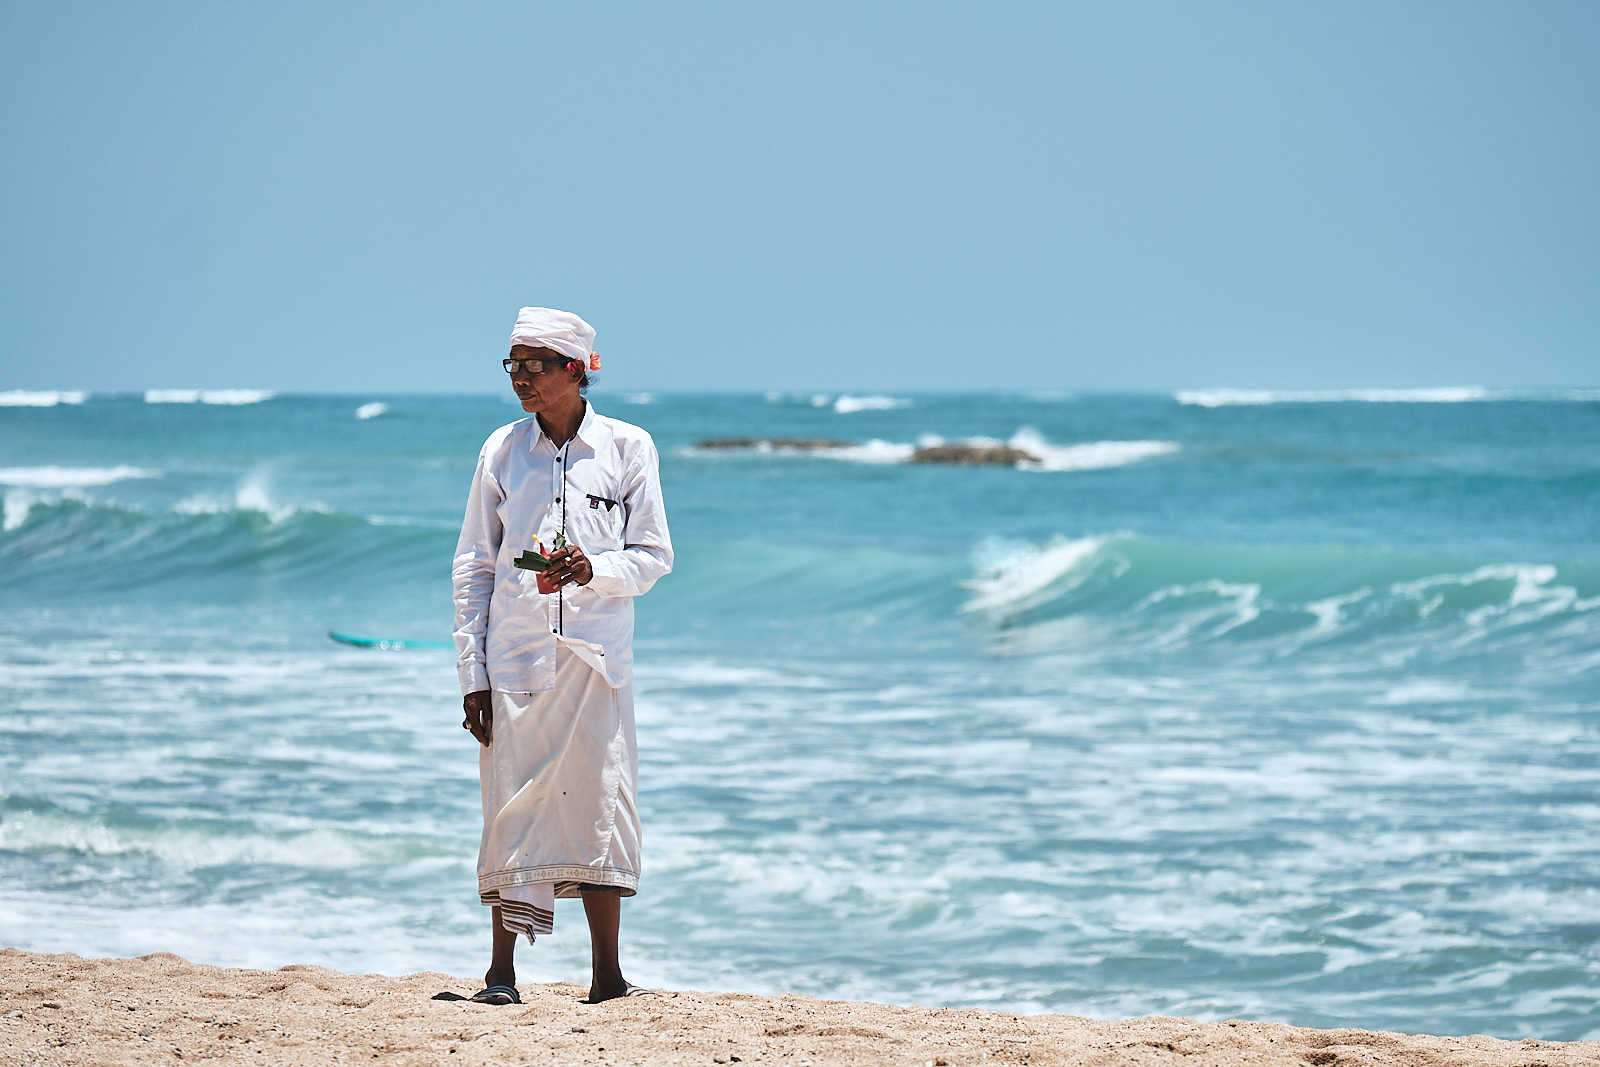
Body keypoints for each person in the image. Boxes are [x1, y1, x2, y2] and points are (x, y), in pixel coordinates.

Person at [452, 307, 672, 1005]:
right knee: (509, 809)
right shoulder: (500, 450)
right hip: (514, 655)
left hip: (595, 659)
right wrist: (471, 673)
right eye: (513, 366)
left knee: (599, 805)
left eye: (535, 366)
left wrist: (591, 569)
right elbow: (474, 566)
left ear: (576, 371)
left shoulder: (629, 446)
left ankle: (607, 974)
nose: (521, 379)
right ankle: (501, 974)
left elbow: (653, 556)